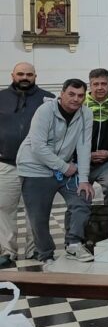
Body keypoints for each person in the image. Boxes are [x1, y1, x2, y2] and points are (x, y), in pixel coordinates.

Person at [16, 79, 94, 265]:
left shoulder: (86, 113)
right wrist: (65, 167)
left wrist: (83, 179)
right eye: (71, 94)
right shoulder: (45, 111)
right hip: (35, 168)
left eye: (81, 95)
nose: (76, 99)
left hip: (63, 169)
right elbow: (38, 147)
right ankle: (46, 255)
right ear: (62, 93)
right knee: (39, 216)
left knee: (82, 198)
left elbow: (84, 146)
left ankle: (74, 244)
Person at [0, 62, 53, 268]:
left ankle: (36, 248)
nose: (25, 77)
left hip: (37, 165)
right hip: (6, 163)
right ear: (12, 75)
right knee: (4, 208)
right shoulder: (1, 98)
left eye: (29, 74)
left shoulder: (47, 99)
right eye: (20, 73)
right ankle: (7, 250)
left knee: (36, 209)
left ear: (35, 76)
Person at [83, 69, 108, 208]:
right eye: (96, 84)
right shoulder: (80, 105)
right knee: (79, 193)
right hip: (82, 162)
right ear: (90, 85)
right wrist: (86, 155)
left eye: (104, 84)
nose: (100, 87)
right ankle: (79, 227)